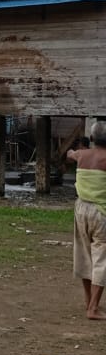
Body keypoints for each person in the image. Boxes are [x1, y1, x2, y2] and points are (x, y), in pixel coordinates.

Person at [67, 120, 106, 320]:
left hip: (81, 208)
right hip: (101, 212)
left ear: (91, 139)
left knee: (84, 255)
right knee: (101, 258)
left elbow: (70, 154)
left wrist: (72, 153)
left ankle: (88, 302)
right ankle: (93, 308)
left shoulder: (82, 155)